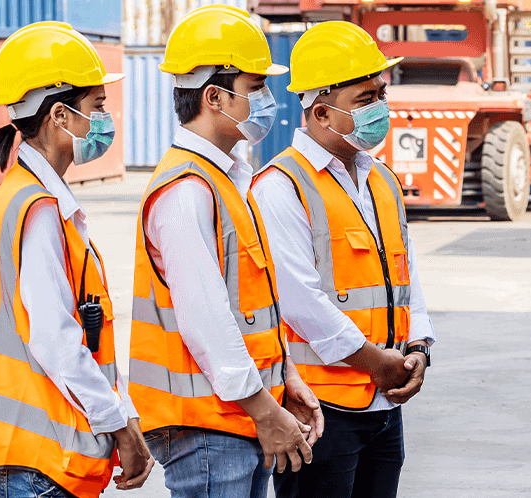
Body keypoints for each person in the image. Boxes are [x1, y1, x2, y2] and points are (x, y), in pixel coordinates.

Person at [0, 21, 154, 498]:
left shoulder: (32, 198)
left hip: (40, 453)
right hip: (40, 460)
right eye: (97, 107)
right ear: (60, 115)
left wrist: (121, 412)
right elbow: (57, 340)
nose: (106, 119)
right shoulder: (36, 209)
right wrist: (120, 425)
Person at [126, 5, 320, 497]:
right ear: (214, 96)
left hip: (239, 415)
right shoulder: (187, 190)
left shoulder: (225, 178)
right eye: (256, 89)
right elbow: (205, 319)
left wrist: (285, 378)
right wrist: (263, 408)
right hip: (209, 427)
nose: (268, 101)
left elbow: (247, 308)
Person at [251, 21, 434, 498]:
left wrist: (418, 348)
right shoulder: (281, 186)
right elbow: (298, 299)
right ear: (320, 111)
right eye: (365, 99)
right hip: (320, 410)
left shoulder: (382, 181)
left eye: (381, 94)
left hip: (385, 405)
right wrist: (375, 362)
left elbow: (405, 276)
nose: (381, 108)